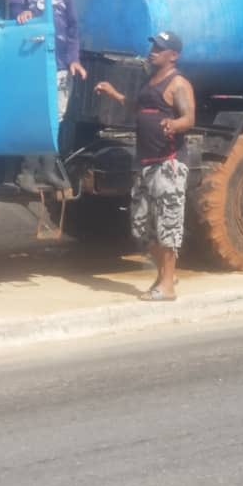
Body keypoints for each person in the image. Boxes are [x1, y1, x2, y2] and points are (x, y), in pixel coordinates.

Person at [94, 31, 195, 301]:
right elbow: (135, 110)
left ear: (173, 55)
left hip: (169, 164)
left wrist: (174, 125)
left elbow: (189, 118)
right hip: (146, 164)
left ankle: (167, 286)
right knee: (143, 226)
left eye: (160, 48)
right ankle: (165, 276)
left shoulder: (178, 83)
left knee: (168, 226)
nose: (153, 51)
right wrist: (114, 94)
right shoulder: (151, 82)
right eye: (153, 46)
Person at [8, 0, 87, 192]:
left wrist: (74, 59)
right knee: (36, 116)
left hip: (61, 65)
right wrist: (21, 16)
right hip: (33, 65)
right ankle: (27, 172)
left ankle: (49, 169)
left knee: (57, 117)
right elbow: (14, 16)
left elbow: (73, 29)